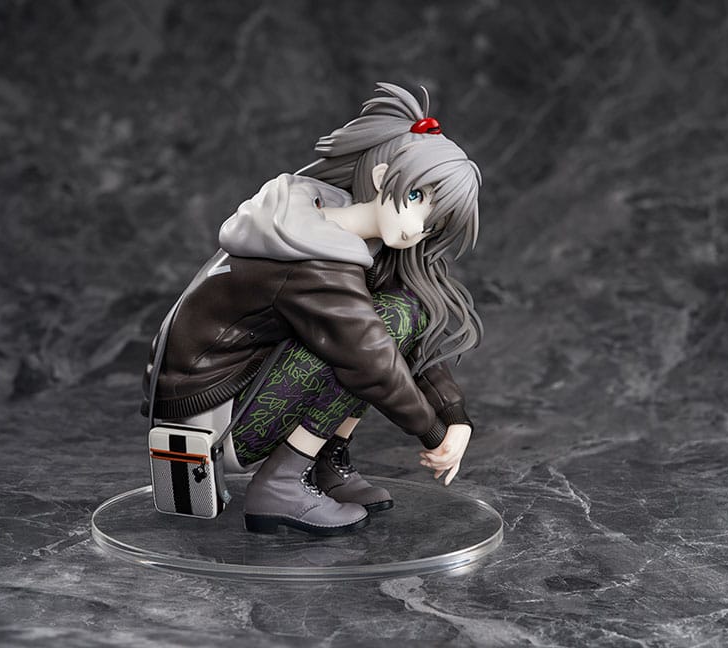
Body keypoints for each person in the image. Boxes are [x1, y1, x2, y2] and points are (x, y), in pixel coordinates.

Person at [142, 82, 483, 535]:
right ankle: (283, 483)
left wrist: (455, 416)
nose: (418, 228)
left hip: (242, 392)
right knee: (365, 350)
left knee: (398, 316)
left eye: (434, 222)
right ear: (382, 177)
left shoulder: (345, 228)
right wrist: (433, 434)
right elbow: (372, 360)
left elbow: (412, 330)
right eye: (417, 198)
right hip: (211, 425)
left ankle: (324, 464)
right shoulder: (314, 253)